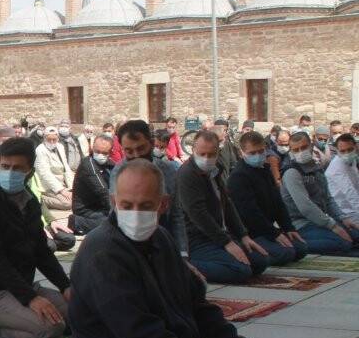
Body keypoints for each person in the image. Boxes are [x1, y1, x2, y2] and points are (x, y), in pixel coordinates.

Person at [69, 160, 284, 338]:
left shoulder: (161, 240)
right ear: (113, 202)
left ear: (163, 204)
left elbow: (198, 308)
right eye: (127, 204)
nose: (135, 214)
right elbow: (140, 334)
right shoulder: (103, 251)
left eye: (145, 205)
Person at [0, 137, 71, 338]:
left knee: (79, 313)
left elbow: (41, 250)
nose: (10, 173)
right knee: (51, 328)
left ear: (29, 171)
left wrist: (66, 287)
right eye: (5, 167)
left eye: (17, 168)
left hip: (22, 287)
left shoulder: (29, 200)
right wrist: (30, 299)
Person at [178, 131, 269, 284]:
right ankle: (183, 267)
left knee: (260, 261)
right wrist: (226, 243)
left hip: (220, 233)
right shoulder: (187, 174)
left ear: (217, 152)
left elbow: (227, 203)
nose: (206, 158)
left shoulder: (215, 170)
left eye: (211, 154)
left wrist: (242, 235)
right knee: (240, 270)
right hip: (197, 238)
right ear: (193, 150)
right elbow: (198, 214)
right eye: (202, 154)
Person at [227, 131, 308, 266]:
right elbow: (250, 213)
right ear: (242, 153)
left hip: (268, 228)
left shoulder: (265, 169)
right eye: (252, 153)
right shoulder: (239, 176)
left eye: (261, 151)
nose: (258, 156)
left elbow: (278, 202)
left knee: (300, 248)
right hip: (252, 232)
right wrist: (274, 234)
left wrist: (288, 228)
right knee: (286, 253)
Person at [110, 120, 187, 254]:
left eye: (141, 148)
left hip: (163, 241)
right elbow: (116, 215)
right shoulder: (118, 173)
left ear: (151, 144)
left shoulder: (168, 171)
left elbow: (176, 215)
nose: (136, 155)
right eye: (129, 151)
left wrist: (182, 253)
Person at [281, 131, 359, 256]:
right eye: (296, 150)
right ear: (291, 152)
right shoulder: (292, 173)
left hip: (320, 220)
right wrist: (333, 226)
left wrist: (343, 218)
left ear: (311, 146)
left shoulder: (316, 169)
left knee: (355, 235)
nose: (301, 152)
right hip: (302, 224)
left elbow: (328, 199)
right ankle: (294, 243)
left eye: (304, 147)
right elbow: (306, 208)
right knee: (342, 242)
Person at [70, 134, 114, 235]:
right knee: (113, 224)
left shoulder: (110, 165)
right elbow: (102, 191)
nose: (100, 155)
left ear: (110, 152)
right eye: (97, 151)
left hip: (101, 207)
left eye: (104, 153)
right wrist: (117, 212)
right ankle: (76, 223)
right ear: (92, 148)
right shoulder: (88, 164)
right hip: (86, 210)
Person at [34, 127, 74, 213]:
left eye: (54, 139)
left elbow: (66, 166)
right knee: (67, 203)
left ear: (58, 139)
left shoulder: (60, 147)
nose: (52, 142)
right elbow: (45, 174)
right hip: (48, 186)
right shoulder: (40, 150)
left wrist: (71, 187)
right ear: (44, 139)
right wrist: (61, 190)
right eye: (49, 139)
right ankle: (40, 199)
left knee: (77, 198)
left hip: (62, 183)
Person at [326, 133, 359, 225]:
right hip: (344, 211)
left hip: (352, 206)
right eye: (343, 151)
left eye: (350, 149)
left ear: (355, 147)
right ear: (337, 150)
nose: (347, 153)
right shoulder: (336, 168)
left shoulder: (352, 161)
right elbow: (350, 194)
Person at [214, 119, 241, 183]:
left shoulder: (227, 144)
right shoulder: (207, 145)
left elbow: (233, 162)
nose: (224, 133)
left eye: (225, 130)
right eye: (220, 130)